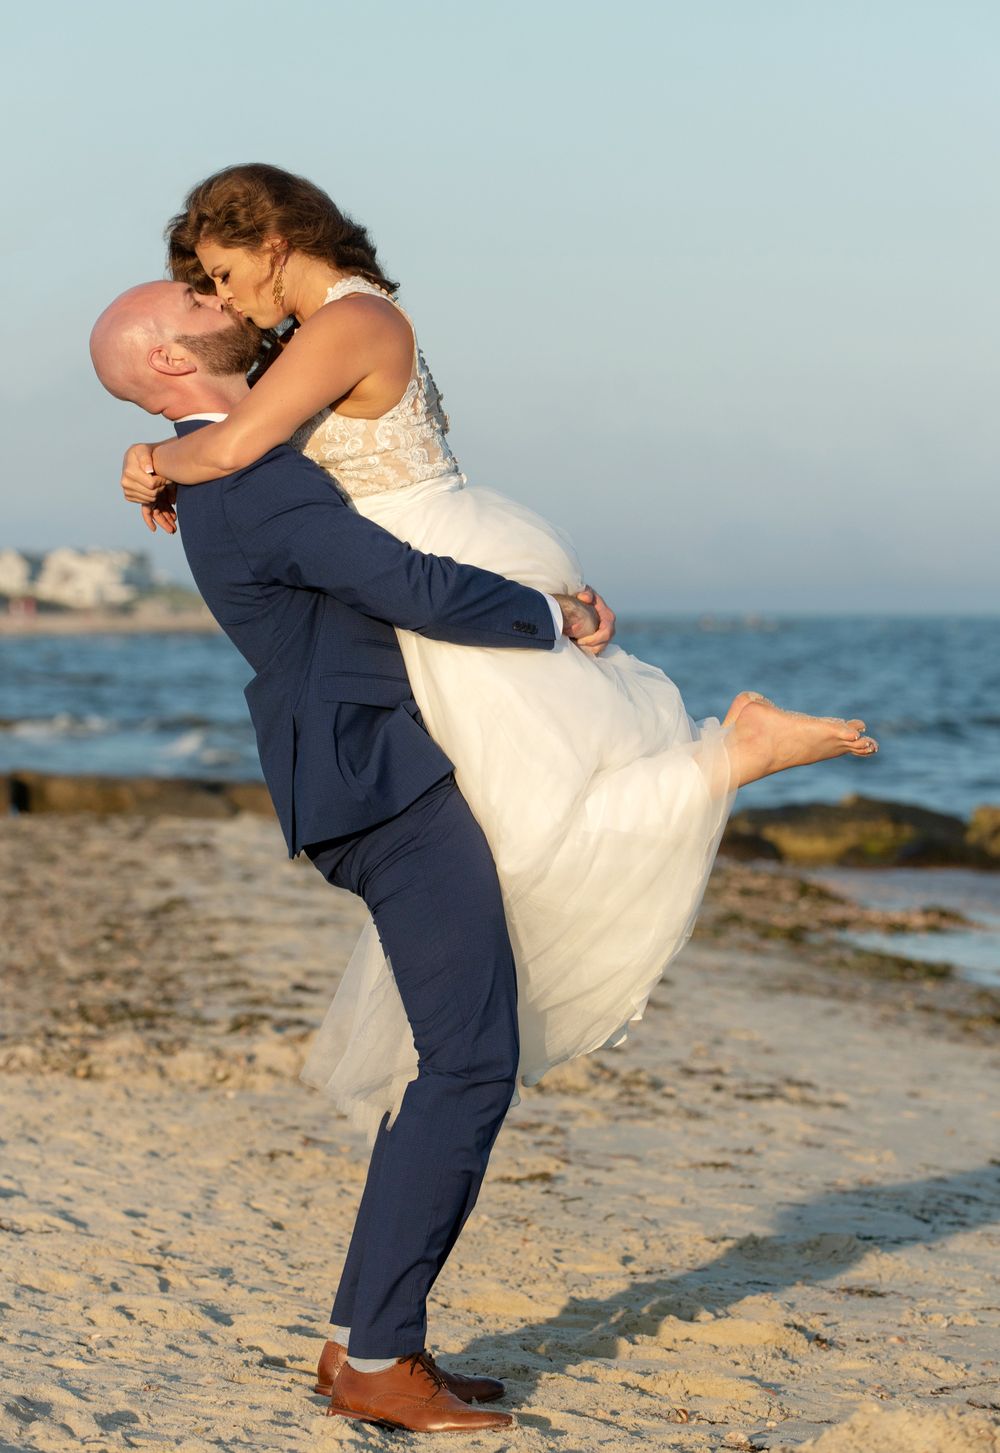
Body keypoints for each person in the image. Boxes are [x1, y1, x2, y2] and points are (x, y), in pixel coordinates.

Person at [119, 163, 877, 1140]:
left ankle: (737, 753)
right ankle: (732, 755)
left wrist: (146, 463)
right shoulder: (315, 336)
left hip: (443, 566)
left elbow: (231, 447)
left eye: (224, 272)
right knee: (505, 837)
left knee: (527, 839)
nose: (221, 298)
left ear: (275, 242)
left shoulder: (352, 322)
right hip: (416, 571)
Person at [91, 278, 611, 1432]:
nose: (216, 292)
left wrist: (156, 460)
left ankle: (355, 1343)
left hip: (356, 776)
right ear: (172, 359)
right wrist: (554, 616)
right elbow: (409, 588)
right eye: (193, 293)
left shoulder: (226, 463)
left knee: (453, 1058)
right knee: (469, 1064)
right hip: (382, 782)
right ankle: (380, 1354)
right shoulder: (257, 479)